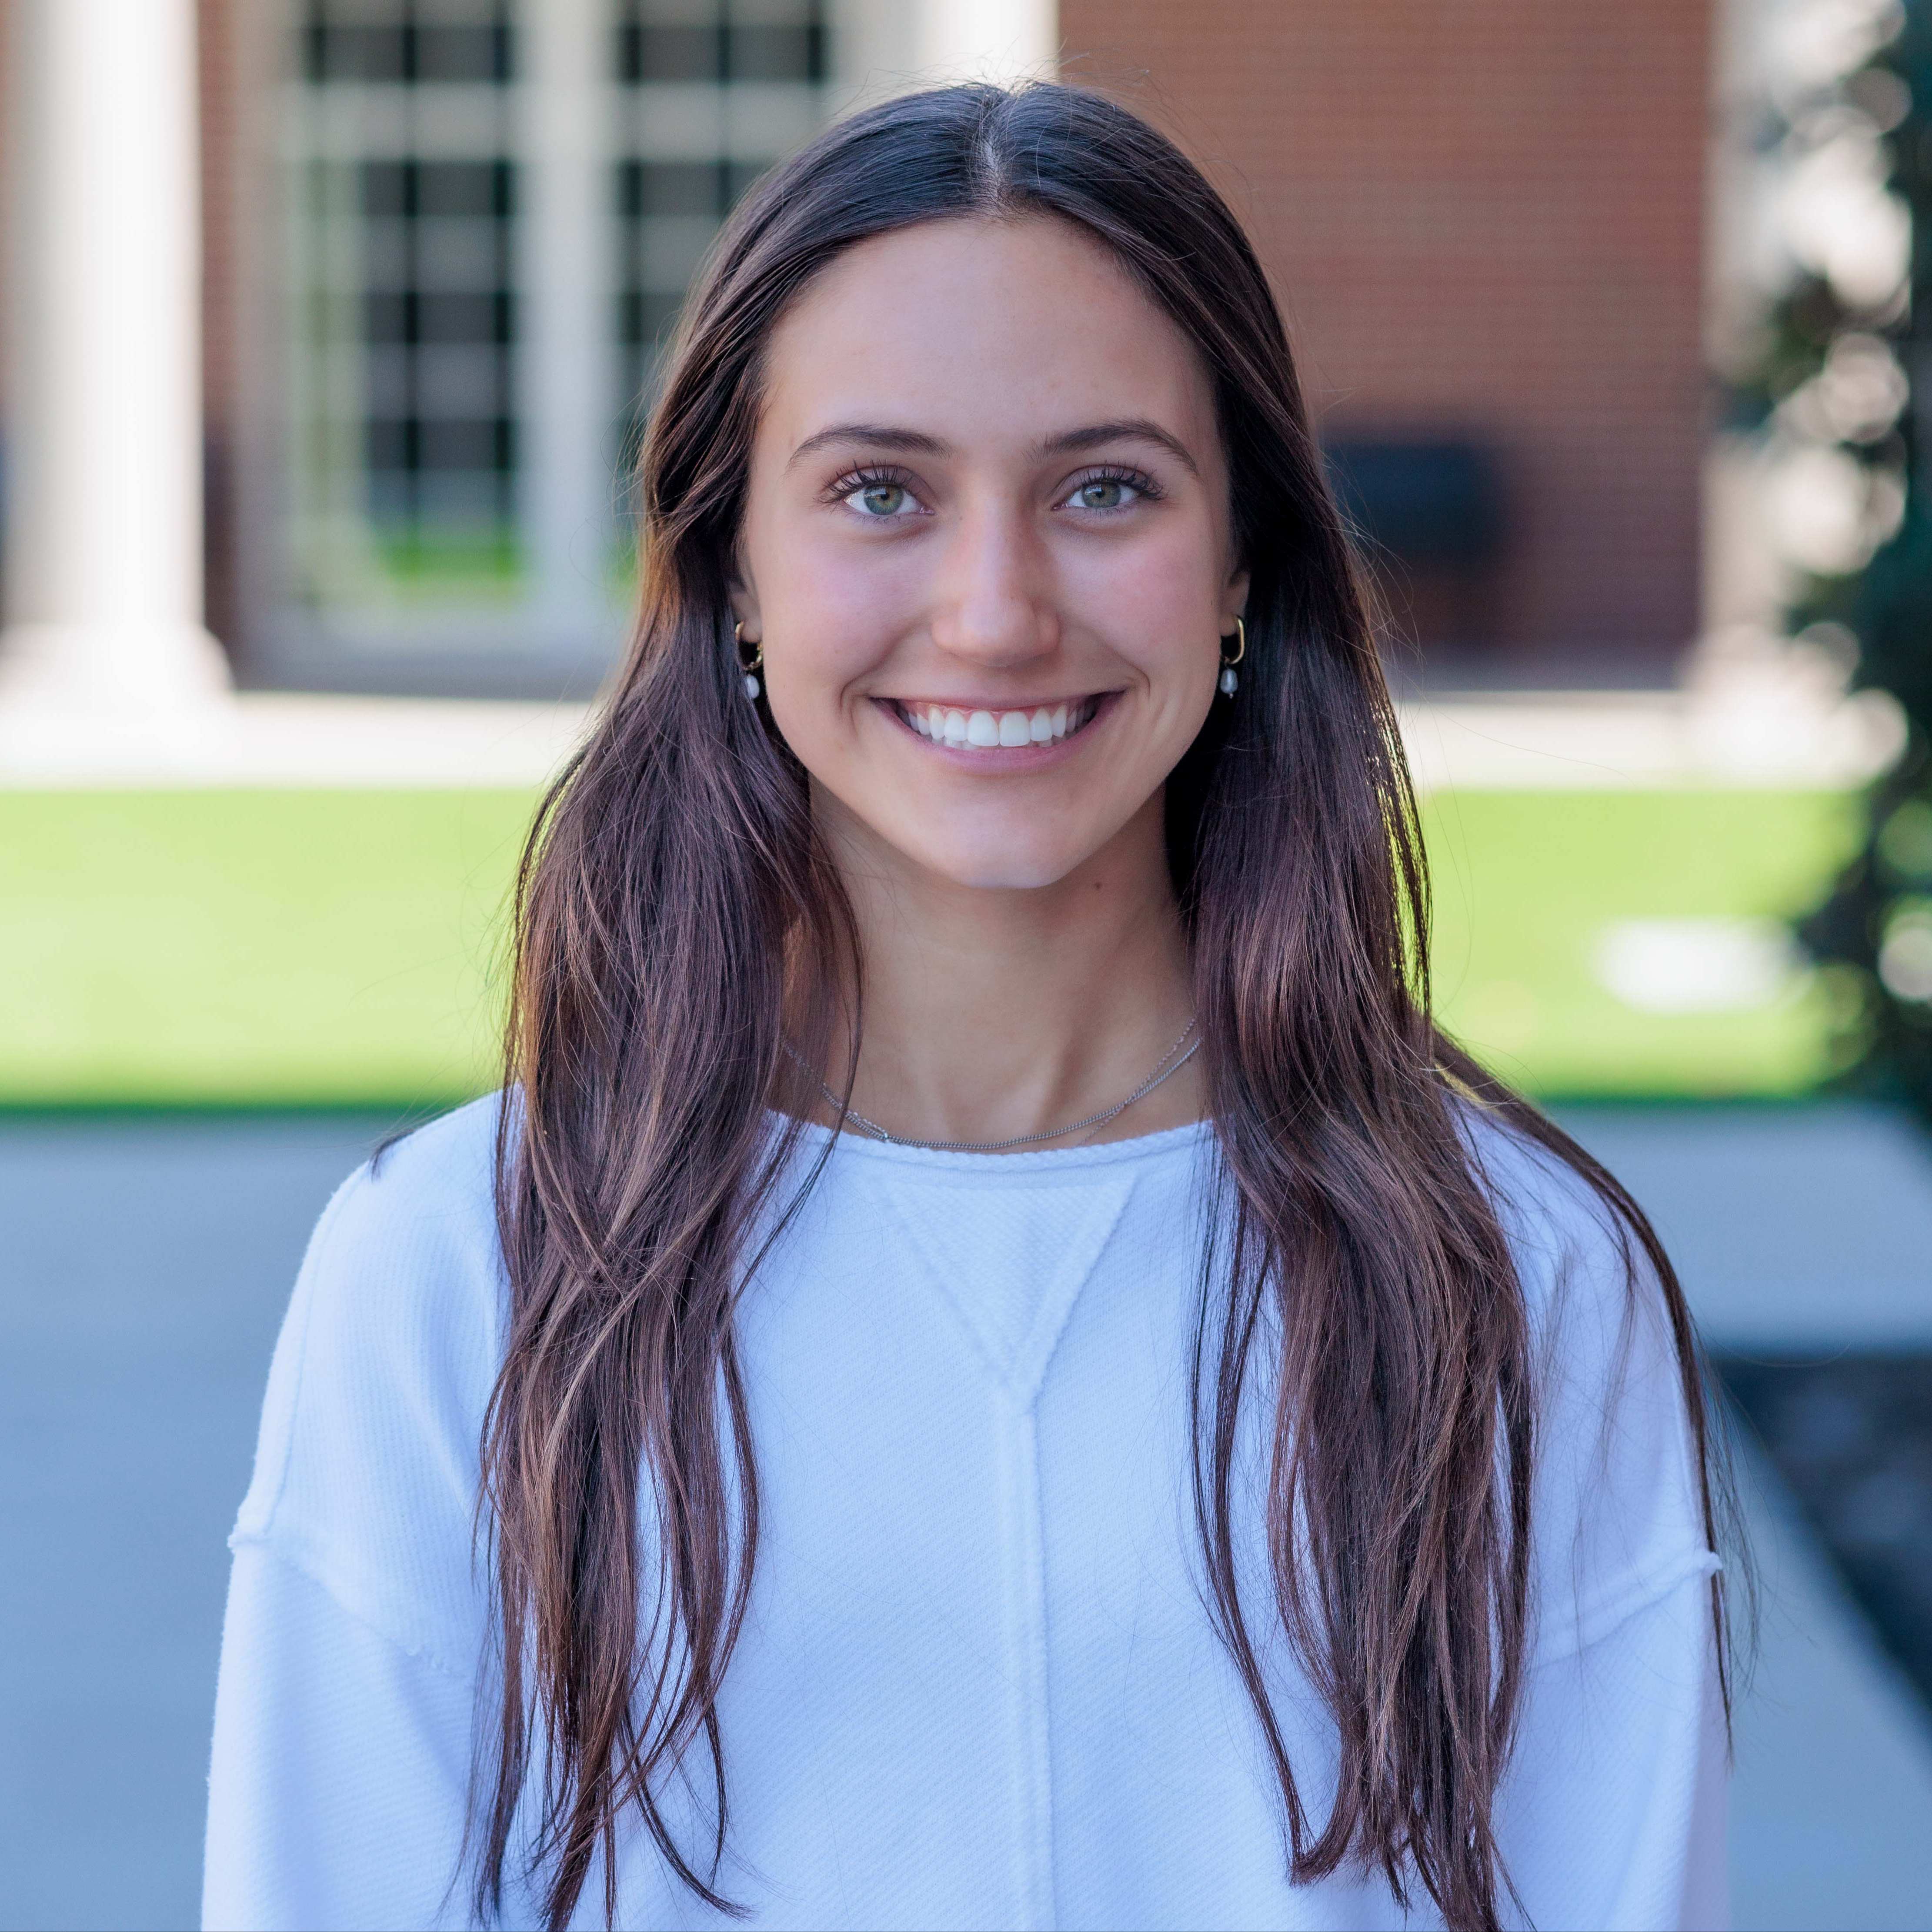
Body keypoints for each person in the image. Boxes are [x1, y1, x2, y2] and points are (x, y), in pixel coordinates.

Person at [203, 81, 1732, 1932]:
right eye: (878, 492)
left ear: (1240, 562)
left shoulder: (1509, 1277)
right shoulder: (464, 1272)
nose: (996, 611)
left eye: (1104, 489)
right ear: (732, 570)